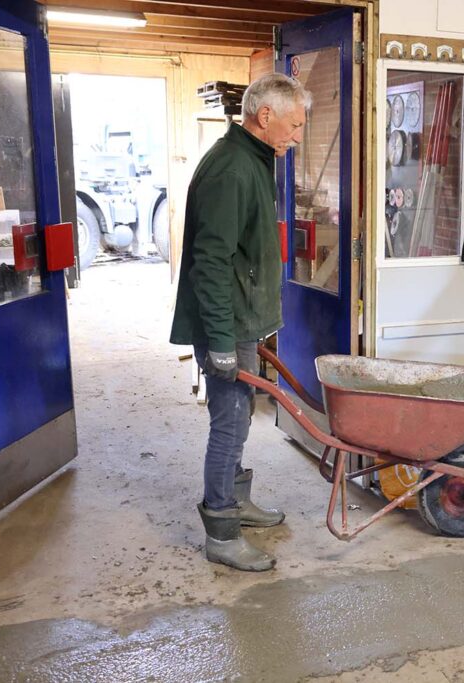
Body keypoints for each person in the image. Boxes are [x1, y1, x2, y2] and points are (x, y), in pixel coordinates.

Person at [170, 74, 311, 570]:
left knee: (239, 416)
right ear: (265, 116)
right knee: (229, 422)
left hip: (242, 317)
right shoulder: (231, 169)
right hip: (224, 322)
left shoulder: (254, 159)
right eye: (293, 125)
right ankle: (222, 534)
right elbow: (209, 261)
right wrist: (222, 341)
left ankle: (238, 501)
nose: (297, 136)